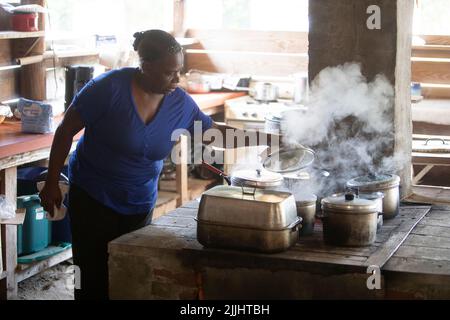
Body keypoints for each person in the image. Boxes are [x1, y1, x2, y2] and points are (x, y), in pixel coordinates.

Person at [39, 30, 275, 300]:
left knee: (131, 271)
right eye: (169, 73)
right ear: (145, 66)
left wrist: (270, 139)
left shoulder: (179, 102)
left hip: (139, 201)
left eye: (179, 71)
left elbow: (216, 134)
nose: (177, 79)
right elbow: (65, 130)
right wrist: (51, 182)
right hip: (94, 195)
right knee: (90, 275)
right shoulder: (108, 89)